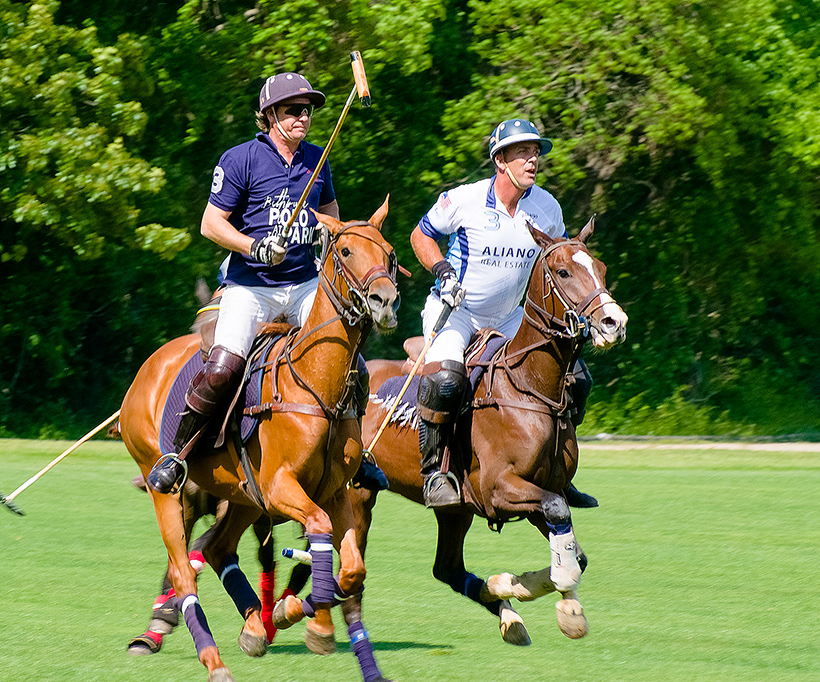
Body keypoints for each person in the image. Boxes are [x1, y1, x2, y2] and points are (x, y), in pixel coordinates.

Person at [147, 72, 387, 494]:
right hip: (251, 286)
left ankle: (355, 452)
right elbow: (210, 224)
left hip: (304, 283)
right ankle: (179, 453)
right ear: (270, 115)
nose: (303, 117)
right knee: (224, 367)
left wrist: (325, 240)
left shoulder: (318, 160)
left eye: (307, 111)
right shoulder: (240, 159)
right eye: (294, 110)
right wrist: (254, 246)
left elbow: (332, 217)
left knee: (354, 364)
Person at [409, 118, 598, 509]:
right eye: (522, 152)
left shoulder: (546, 207)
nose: (533, 160)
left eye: (535, 152)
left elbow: (561, 258)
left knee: (577, 379)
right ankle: (435, 473)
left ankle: (559, 474)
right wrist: (442, 271)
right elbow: (421, 234)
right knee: (446, 381)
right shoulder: (464, 199)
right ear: (500, 161)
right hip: (457, 310)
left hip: (512, 317)